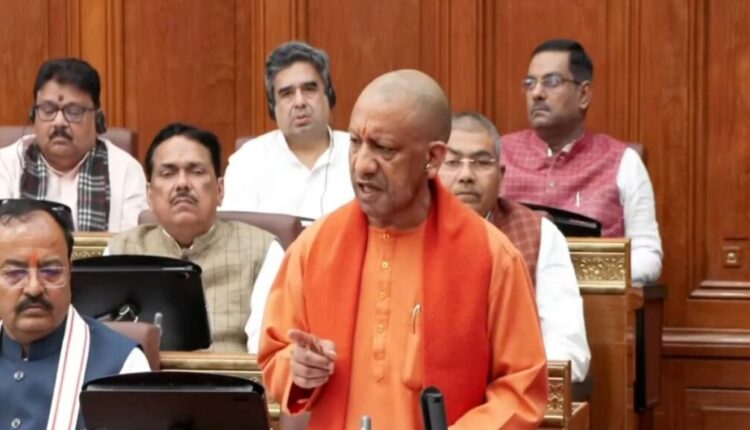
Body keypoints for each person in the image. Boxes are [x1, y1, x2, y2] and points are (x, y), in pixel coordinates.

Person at [259, 70, 547, 430]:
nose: (363, 164)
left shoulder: (492, 258)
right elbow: (275, 354)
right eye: (356, 143)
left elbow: (521, 390)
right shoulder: (314, 247)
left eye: (384, 149)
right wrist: (299, 369)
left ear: (433, 158)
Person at [438, 111, 590, 383]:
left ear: (501, 175)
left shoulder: (539, 235)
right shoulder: (408, 229)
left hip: (512, 391)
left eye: (481, 163)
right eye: (452, 162)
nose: (466, 175)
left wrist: (512, 384)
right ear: (430, 170)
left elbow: (569, 353)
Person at [107, 123, 280, 353]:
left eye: (196, 172)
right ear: (150, 196)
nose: (182, 184)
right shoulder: (120, 251)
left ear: (220, 190)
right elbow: (104, 345)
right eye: (168, 173)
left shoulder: (263, 251)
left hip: (230, 376)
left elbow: (267, 352)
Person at [500, 39, 662, 284]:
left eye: (551, 82)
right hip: (509, 294)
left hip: (590, 300)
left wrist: (571, 271)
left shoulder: (623, 162)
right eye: (530, 83)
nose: (536, 93)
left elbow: (648, 257)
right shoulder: (498, 154)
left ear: (584, 94)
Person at [0, 199, 150, 430]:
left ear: (70, 273)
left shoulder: (124, 368)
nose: (34, 288)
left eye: (50, 271)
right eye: (15, 273)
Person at [0, 58, 148, 232]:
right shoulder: (6, 165)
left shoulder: (126, 171)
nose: (59, 122)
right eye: (48, 110)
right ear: (34, 115)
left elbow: (133, 244)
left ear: (97, 119)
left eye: (74, 111)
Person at [221, 41, 354, 220]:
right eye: (287, 93)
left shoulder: (359, 153)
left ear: (329, 95)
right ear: (272, 106)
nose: (300, 102)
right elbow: (238, 233)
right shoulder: (248, 161)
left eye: (309, 89)